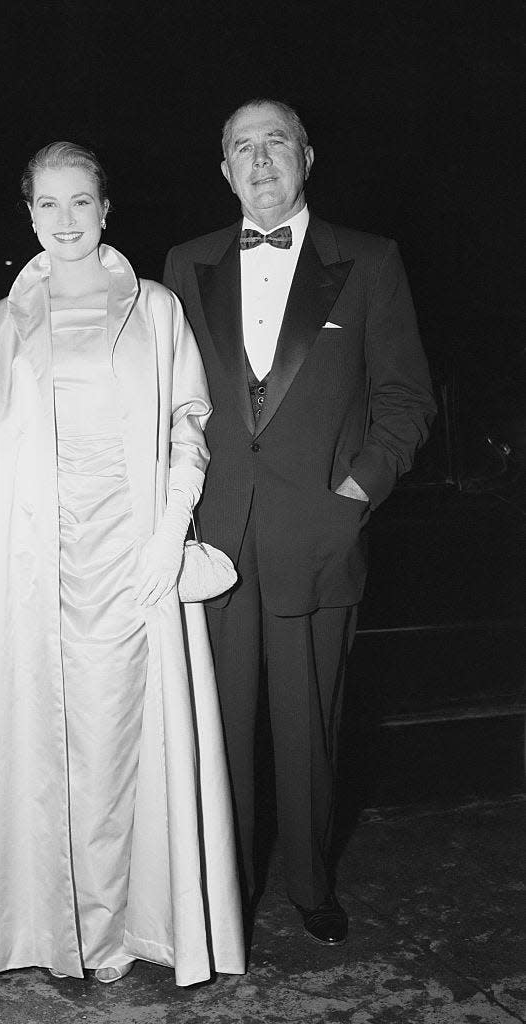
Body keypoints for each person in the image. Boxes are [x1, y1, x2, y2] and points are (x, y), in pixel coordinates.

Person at [0, 142, 244, 985]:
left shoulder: (157, 308)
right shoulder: (6, 320)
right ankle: (55, 931)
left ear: (105, 208)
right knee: (48, 741)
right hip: (39, 560)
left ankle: (132, 928)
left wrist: (171, 527)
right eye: (48, 204)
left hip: (132, 552)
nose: (66, 220)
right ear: (28, 214)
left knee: (125, 737)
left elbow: (186, 423)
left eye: (81, 202)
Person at [163, 99, 436, 946]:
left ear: (307, 156)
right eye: (240, 146)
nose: (259, 159)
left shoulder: (370, 260)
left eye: (275, 141)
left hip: (317, 536)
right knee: (223, 730)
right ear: (222, 169)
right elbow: (164, 401)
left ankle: (313, 884)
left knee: (310, 727)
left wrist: (354, 493)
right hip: (213, 544)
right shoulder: (184, 263)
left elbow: (405, 399)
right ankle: (226, 890)